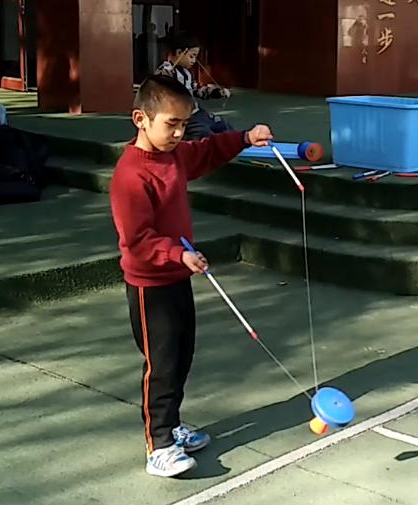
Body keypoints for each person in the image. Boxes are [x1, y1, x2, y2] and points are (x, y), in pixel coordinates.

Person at [109, 74, 273, 477]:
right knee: (161, 363)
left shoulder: (175, 156)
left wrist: (245, 138)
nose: (180, 133)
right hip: (149, 286)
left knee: (182, 355)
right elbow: (137, 239)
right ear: (140, 119)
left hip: (176, 276)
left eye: (184, 124)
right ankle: (159, 445)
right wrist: (177, 254)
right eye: (171, 124)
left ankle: (173, 425)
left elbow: (207, 151)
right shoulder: (131, 176)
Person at [155, 32, 233, 141]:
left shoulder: (187, 73)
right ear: (179, 52)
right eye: (191, 56)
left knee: (224, 126)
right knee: (204, 134)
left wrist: (216, 92)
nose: (194, 60)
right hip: (182, 118)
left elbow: (196, 89)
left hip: (196, 112)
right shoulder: (165, 72)